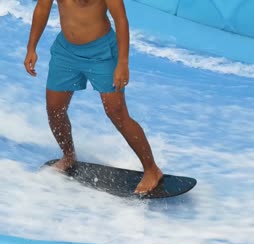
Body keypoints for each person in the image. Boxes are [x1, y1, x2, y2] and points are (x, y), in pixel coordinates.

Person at [23, 0, 163, 194]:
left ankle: (152, 170)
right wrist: (31, 48)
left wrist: (122, 63)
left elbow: (121, 20)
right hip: (66, 52)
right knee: (55, 109)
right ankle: (69, 156)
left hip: (102, 53)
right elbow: (42, 7)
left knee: (117, 113)